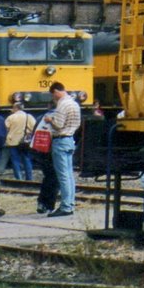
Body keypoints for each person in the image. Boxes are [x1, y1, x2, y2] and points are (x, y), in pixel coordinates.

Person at [44, 81, 81, 217]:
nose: (54, 98)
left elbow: (59, 125)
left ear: (56, 92)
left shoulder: (62, 105)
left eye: (53, 95)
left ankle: (65, 206)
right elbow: (77, 124)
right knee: (69, 175)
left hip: (60, 140)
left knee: (63, 175)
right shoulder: (74, 104)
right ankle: (70, 204)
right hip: (70, 139)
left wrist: (50, 120)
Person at [4, 102, 37, 181]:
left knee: (15, 160)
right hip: (25, 142)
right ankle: (29, 178)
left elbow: (5, 128)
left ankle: (18, 178)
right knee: (26, 159)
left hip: (12, 141)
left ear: (16, 108)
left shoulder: (11, 117)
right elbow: (34, 128)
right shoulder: (29, 117)